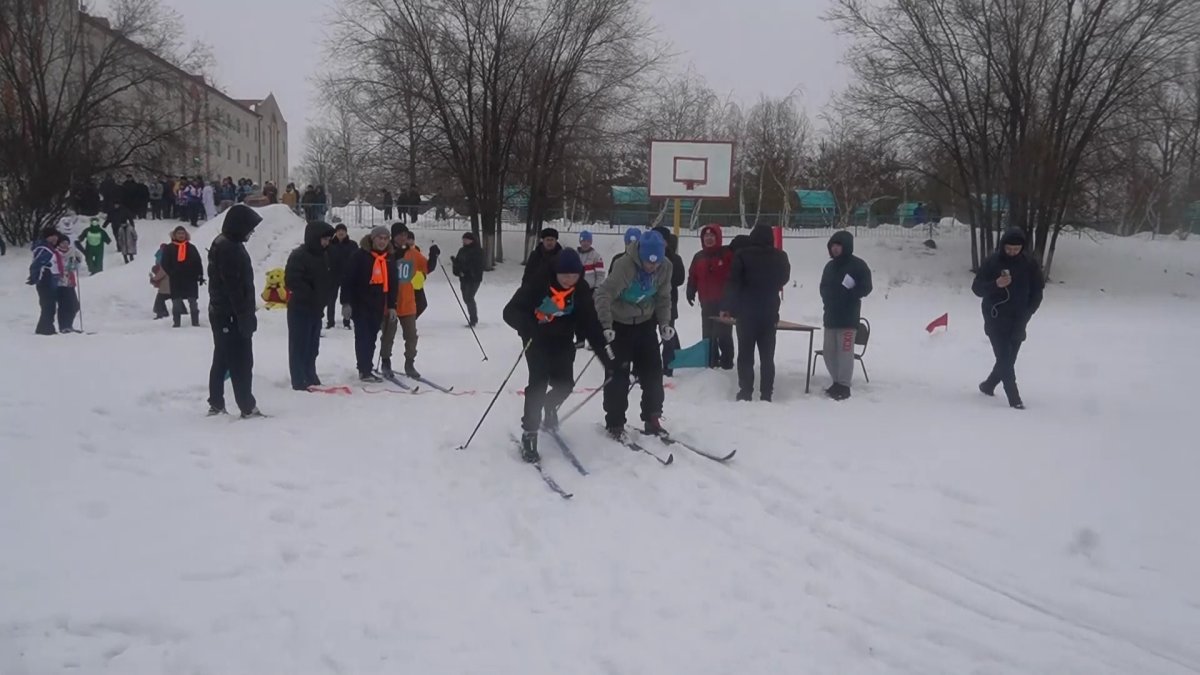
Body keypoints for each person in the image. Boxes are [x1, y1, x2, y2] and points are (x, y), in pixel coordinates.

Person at [503, 248, 614, 463]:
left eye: (573, 275)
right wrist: (530, 327)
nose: (568, 280)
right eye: (564, 275)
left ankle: (549, 405)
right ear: (556, 272)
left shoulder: (580, 289)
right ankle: (530, 432)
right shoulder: (539, 283)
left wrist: (608, 360)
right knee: (538, 384)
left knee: (565, 385)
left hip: (563, 341)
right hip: (536, 341)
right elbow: (510, 312)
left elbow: (591, 325)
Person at [595, 230, 674, 439]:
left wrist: (664, 324)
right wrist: (606, 324)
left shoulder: (665, 266)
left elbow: (664, 297)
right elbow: (603, 293)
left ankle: (652, 417)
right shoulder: (624, 265)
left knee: (653, 373)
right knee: (618, 375)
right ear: (641, 255)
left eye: (655, 263)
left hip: (645, 324)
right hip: (619, 326)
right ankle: (615, 422)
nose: (652, 266)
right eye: (648, 262)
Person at [972, 228, 1044, 409]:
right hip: (995, 316)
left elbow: (1037, 292)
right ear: (1003, 246)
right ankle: (1015, 399)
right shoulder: (992, 262)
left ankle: (988, 385)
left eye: (1016, 249)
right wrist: (996, 284)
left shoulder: (1030, 265)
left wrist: (1029, 312)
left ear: (1022, 248)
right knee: (1004, 357)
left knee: (1009, 359)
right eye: (1009, 248)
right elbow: (977, 288)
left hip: (1019, 318)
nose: (1012, 252)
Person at [206, 204, 264, 418]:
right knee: (241, 361)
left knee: (222, 357)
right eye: (250, 227)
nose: (252, 232)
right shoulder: (228, 247)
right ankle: (247, 407)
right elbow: (233, 287)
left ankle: (216, 402)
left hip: (224, 313)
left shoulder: (228, 243)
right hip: (229, 314)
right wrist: (243, 316)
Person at [724, 224, 791, 402]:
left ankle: (745, 391)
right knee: (767, 356)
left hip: (746, 312)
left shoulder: (742, 255)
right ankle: (767, 393)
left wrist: (729, 306)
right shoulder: (780, 257)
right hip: (769, 312)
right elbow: (784, 278)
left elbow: (733, 282)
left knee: (745, 355)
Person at [819, 231, 873, 400]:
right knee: (829, 352)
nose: (835, 249)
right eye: (832, 246)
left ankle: (844, 385)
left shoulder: (858, 265)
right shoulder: (829, 267)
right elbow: (823, 287)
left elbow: (867, 287)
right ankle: (836, 381)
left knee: (845, 352)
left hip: (848, 318)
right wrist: (827, 299)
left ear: (846, 247)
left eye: (838, 245)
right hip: (830, 317)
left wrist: (851, 294)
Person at [343, 226, 399, 382]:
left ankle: (367, 365)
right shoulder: (359, 256)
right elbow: (348, 280)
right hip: (360, 303)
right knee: (363, 336)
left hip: (378, 304)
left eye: (385, 238)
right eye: (379, 238)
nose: (382, 241)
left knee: (373, 336)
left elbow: (393, 283)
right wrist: (346, 302)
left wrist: (392, 305)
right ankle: (364, 369)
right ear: (372, 239)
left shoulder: (389, 257)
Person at [285, 221, 335, 390]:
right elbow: (293, 281)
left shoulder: (324, 255)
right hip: (300, 308)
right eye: (324, 239)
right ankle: (299, 379)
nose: (327, 243)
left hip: (316, 309)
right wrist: (312, 295)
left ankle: (310, 374)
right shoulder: (298, 256)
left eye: (328, 240)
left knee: (313, 346)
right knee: (299, 345)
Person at [380, 224, 428, 378]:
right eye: (400, 235)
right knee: (388, 335)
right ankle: (386, 362)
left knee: (411, 336)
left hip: (408, 301)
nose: (403, 238)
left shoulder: (412, 253)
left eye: (405, 235)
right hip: (390, 302)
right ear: (393, 236)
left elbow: (426, 266)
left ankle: (410, 363)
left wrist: (433, 256)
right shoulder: (386, 253)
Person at [687, 224, 735, 369]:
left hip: (724, 302)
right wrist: (691, 289)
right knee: (708, 333)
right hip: (706, 302)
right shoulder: (699, 257)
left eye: (712, 236)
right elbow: (693, 276)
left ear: (718, 238)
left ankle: (727, 362)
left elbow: (734, 276)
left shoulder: (726, 254)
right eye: (706, 236)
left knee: (723, 334)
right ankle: (710, 361)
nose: (708, 239)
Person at [653, 226, 686, 376]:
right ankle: (651, 364)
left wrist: (665, 279)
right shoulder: (648, 256)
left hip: (668, 301)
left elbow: (679, 279)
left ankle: (668, 366)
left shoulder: (674, 258)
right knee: (651, 334)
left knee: (667, 332)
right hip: (649, 302)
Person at [162, 226, 204, 328]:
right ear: (174, 235)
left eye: (183, 233)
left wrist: (200, 275)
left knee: (193, 301)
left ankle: (195, 322)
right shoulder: (169, 248)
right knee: (176, 301)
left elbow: (198, 262)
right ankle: (176, 322)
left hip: (190, 279)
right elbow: (164, 263)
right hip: (176, 279)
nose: (181, 235)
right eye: (179, 233)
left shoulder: (191, 247)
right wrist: (171, 272)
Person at [27, 228, 63, 335]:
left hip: (50, 280)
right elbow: (37, 263)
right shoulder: (44, 249)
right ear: (47, 237)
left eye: (56, 236)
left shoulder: (50, 248)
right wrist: (34, 277)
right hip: (45, 280)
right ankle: (45, 329)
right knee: (48, 305)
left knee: (50, 305)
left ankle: (45, 328)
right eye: (52, 236)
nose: (55, 238)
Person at [326, 224, 357, 329]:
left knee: (347, 300)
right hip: (332, 275)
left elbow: (356, 259)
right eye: (339, 231)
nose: (341, 233)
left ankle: (347, 321)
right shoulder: (329, 244)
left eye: (343, 231)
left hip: (347, 275)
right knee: (331, 299)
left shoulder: (352, 244)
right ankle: (330, 321)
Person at [452, 231, 485, 327]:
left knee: (469, 297)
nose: (464, 241)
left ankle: (473, 319)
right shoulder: (462, 250)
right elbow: (458, 262)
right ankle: (473, 317)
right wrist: (456, 268)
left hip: (474, 278)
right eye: (463, 240)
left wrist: (466, 270)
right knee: (465, 298)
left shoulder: (478, 251)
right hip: (464, 278)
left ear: (471, 240)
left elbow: (477, 265)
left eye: (466, 240)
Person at [404, 230, 439, 319]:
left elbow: (428, 267)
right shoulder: (401, 252)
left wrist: (433, 255)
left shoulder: (416, 251)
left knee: (421, 305)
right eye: (408, 239)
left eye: (412, 240)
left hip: (416, 284)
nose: (410, 242)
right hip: (405, 285)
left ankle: (408, 321)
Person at [56, 237, 84, 332]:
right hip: (60, 283)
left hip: (70, 282)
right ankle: (64, 326)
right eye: (62, 243)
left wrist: (77, 262)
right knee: (64, 305)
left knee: (75, 305)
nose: (65, 245)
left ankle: (69, 325)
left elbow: (79, 259)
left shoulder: (72, 251)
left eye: (66, 243)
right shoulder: (56, 253)